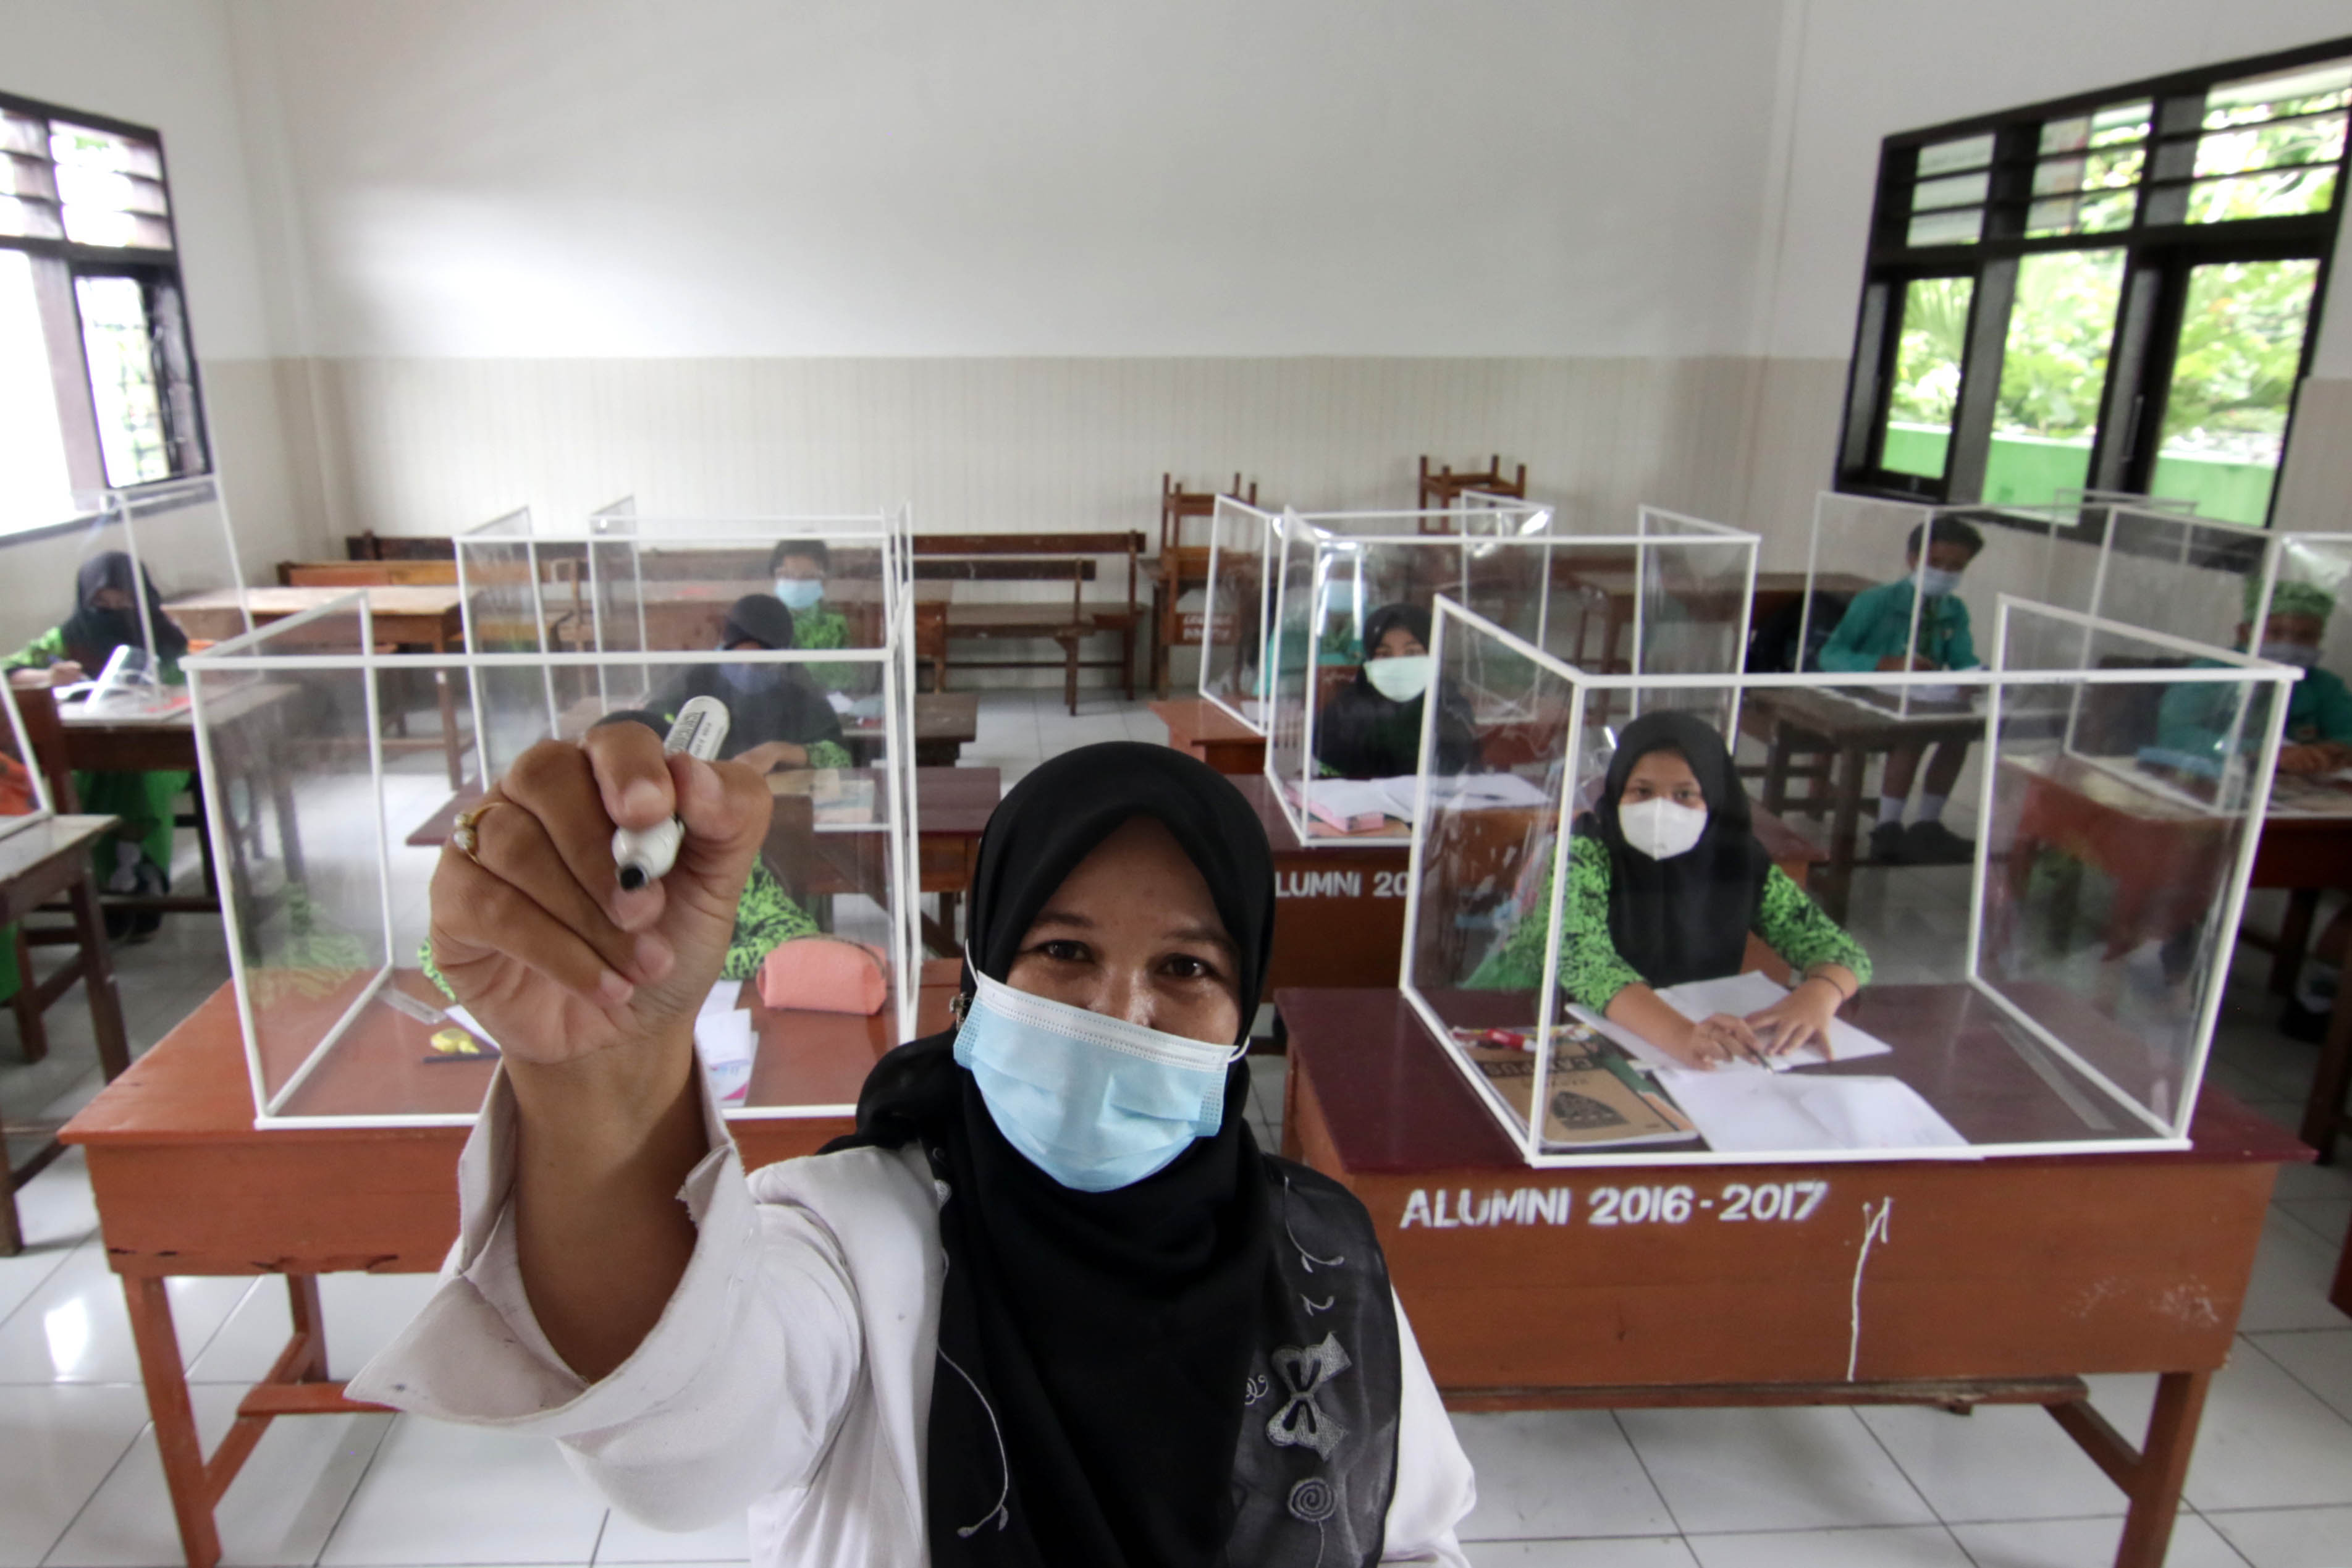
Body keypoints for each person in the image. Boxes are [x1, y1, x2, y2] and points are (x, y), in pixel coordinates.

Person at [352, 740, 1475, 1566]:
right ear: (976, 980)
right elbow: (680, 1444)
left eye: (1184, 970)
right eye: (1062, 948)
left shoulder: (1318, 1245)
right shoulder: (857, 1236)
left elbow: (1414, 1532)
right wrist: (596, 1075)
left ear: (1246, 1016)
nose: (1116, 1009)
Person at [1468, 712, 1869, 1069]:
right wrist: (1680, 1036)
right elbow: (1583, 961)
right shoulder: (1586, 850)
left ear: (1714, 797)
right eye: (1641, 791)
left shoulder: (1738, 860)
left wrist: (1816, 996)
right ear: (1617, 789)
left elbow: (1837, 950)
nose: (1661, 809)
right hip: (1538, 1023)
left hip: (1676, 1045)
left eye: (1684, 795)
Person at [2, 552, 191, 935]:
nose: (111, 611)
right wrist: (45, 674)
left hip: (160, 747)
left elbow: (189, 689)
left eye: (123, 602)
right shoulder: (68, 637)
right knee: (82, 780)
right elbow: (7, 669)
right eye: (101, 604)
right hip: (92, 745)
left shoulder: (165, 636)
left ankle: (144, 878)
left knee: (138, 778)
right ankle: (105, 886)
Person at [1817, 517, 1985, 866]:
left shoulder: (1953, 610)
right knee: (1912, 734)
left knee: (1959, 734)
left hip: (1918, 696)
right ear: (1912, 559)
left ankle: (1928, 824)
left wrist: (1973, 675)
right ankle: (1888, 826)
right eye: (1935, 563)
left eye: (1956, 567)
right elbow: (1831, 655)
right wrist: (1884, 663)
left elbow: (1962, 657)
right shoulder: (1876, 601)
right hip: (1863, 691)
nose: (1945, 573)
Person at [2154, 578, 2352, 777]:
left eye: (2306, 636)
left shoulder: (2324, 685)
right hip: (2209, 781)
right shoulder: (2208, 674)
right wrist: (2265, 753)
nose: (2290, 643)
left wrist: (2330, 751)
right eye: (2276, 632)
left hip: (2295, 787)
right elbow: (2175, 735)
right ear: (2244, 633)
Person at [651, 594, 851, 773]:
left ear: (782, 659)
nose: (746, 672)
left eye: (760, 665)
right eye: (737, 662)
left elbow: (841, 758)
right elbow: (649, 730)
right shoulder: (694, 682)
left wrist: (778, 751)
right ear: (723, 646)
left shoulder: (797, 692)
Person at [1315, 603, 1480, 780]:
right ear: (1369, 660)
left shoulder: (1450, 707)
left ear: (1433, 656)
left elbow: (1456, 765)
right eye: (1384, 655)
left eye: (1412, 653)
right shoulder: (1344, 714)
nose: (1398, 663)